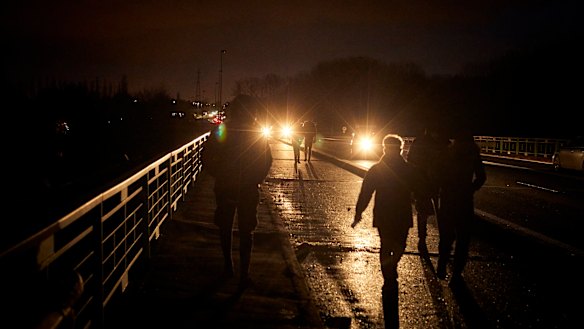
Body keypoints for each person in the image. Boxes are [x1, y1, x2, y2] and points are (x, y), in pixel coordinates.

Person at [201, 94, 273, 288]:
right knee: (246, 230)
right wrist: (256, 179)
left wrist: (219, 174)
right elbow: (267, 160)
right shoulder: (256, 132)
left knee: (225, 227)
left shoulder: (223, 129)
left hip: (225, 186)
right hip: (248, 188)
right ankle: (244, 274)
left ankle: (228, 267)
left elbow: (206, 156)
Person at [351, 134, 422, 329]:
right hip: (400, 215)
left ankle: (389, 271)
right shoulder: (406, 169)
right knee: (398, 245)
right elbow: (419, 188)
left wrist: (359, 212)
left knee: (389, 245)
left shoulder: (378, 169)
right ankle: (390, 272)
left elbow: (366, 192)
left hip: (384, 214)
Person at [435, 130, 486, 283]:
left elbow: (437, 174)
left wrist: (441, 188)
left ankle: (442, 265)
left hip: (447, 198)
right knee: (463, 238)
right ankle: (457, 272)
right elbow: (481, 177)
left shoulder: (448, 154)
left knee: (446, 235)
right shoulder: (473, 156)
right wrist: (471, 188)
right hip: (464, 199)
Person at [406, 126, 449, 253]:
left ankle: (422, 240)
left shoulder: (418, 142)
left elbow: (410, 160)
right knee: (441, 213)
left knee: (422, 213)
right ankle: (443, 241)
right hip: (439, 183)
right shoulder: (444, 143)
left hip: (422, 182)